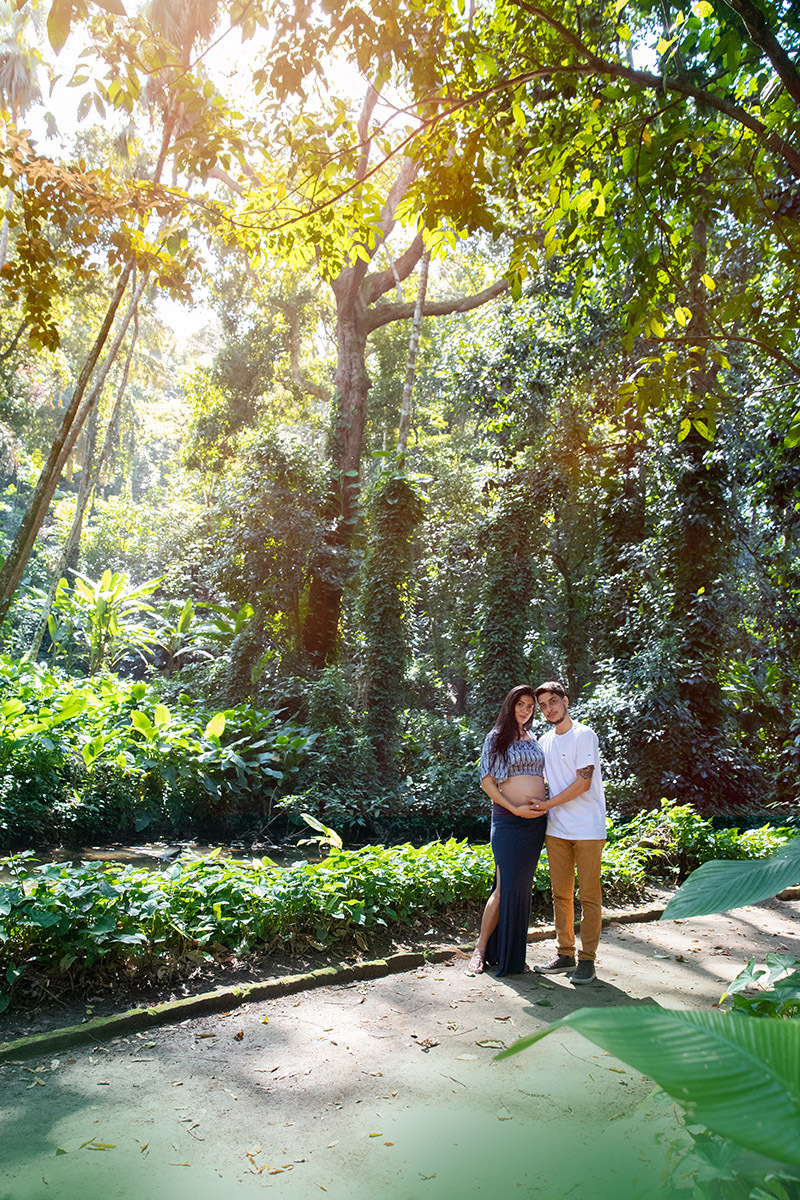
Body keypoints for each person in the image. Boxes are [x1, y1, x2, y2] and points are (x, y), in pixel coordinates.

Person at [468, 685, 548, 976]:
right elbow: (487, 782)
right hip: (508, 819)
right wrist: (515, 809)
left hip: (535, 824)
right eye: (521, 705)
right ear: (510, 705)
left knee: (521, 890)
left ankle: (512, 955)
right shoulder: (496, 737)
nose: (526, 711)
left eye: (531, 707)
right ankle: (479, 949)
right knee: (504, 889)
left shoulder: (534, 738)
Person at [531, 681, 606, 985]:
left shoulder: (584, 735)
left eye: (553, 702)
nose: (549, 709)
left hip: (587, 827)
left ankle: (587, 960)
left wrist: (548, 803)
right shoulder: (545, 741)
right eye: (543, 706)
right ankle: (565, 954)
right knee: (560, 895)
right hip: (556, 830)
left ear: (565, 700)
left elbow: (583, 782)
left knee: (588, 895)